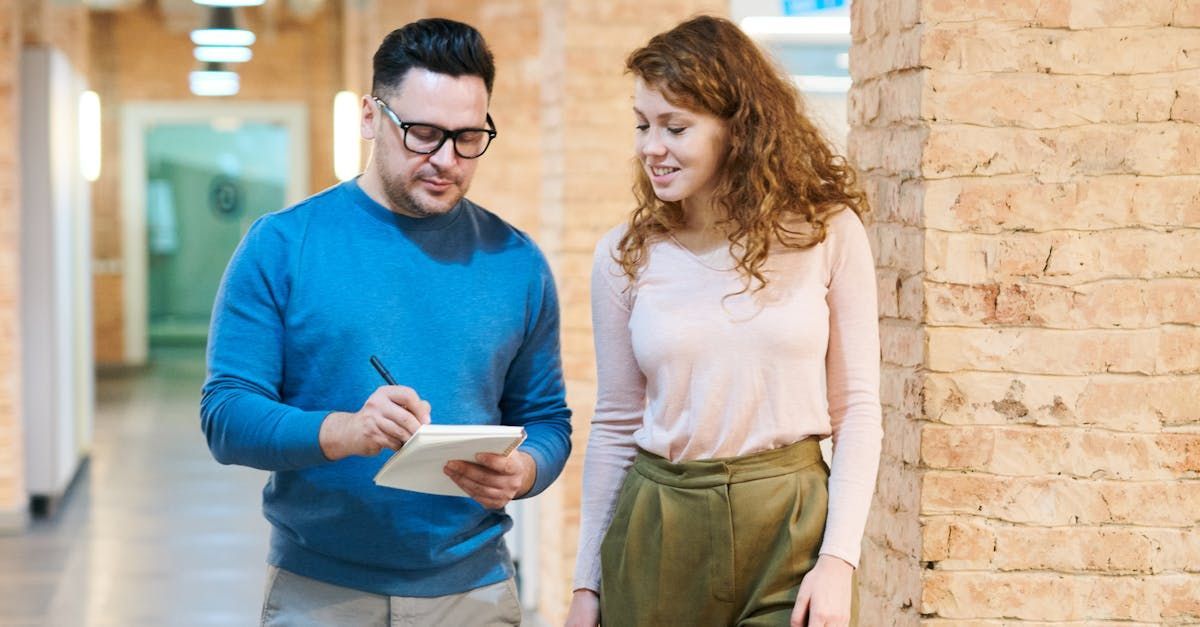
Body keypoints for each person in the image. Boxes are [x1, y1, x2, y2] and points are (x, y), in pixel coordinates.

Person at [201, 18, 572, 627]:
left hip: (474, 591)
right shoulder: (283, 244)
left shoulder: (517, 263)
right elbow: (226, 416)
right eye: (423, 134)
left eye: (468, 137)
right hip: (319, 590)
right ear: (372, 117)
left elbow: (547, 420)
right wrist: (347, 431)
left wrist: (525, 470)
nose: (446, 160)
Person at [565, 15, 882, 627]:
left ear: (738, 128)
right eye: (642, 125)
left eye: (674, 127)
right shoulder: (624, 254)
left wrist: (839, 560)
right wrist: (586, 587)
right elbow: (615, 424)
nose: (650, 147)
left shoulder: (826, 232)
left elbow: (858, 409)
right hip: (657, 526)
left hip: (789, 522)